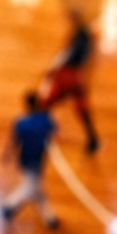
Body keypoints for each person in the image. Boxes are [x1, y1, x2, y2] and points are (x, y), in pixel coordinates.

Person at [42, 10, 100, 154]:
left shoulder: (78, 37)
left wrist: (52, 71)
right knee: (82, 109)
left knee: (46, 103)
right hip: (77, 76)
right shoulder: (87, 38)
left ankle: (46, 131)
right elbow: (88, 60)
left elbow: (67, 56)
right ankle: (92, 138)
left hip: (67, 75)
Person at [1, 90, 59, 229]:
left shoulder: (21, 123)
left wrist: (7, 154)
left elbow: (14, 141)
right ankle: (9, 206)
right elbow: (55, 132)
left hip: (25, 159)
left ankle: (48, 217)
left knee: (35, 187)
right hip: (38, 159)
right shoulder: (46, 120)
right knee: (31, 187)